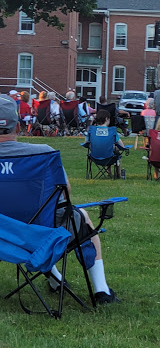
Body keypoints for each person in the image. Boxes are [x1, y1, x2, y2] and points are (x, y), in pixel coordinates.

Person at [0, 94, 120, 304]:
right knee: (80, 216)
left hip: (3, 235)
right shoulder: (42, 155)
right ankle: (102, 291)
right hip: (40, 231)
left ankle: (56, 279)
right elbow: (65, 195)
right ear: (18, 127)